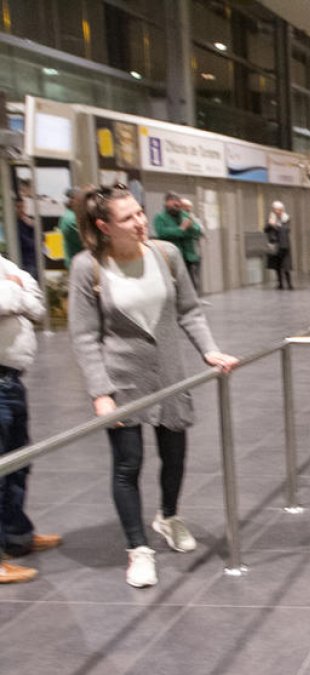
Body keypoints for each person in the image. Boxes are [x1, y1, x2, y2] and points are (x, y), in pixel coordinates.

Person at [68, 184, 238, 588]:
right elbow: (85, 336)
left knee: (175, 456)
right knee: (127, 465)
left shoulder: (167, 254)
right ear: (104, 226)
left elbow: (189, 310)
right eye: (128, 218)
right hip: (121, 378)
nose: (140, 222)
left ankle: (168, 516)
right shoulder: (86, 266)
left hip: (169, 373)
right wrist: (101, 392)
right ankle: (137, 549)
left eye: (140, 213)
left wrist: (209, 351)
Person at [0, 252, 61, 583]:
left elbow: (37, 304)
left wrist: (15, 293)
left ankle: (16, 536)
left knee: (17, 462)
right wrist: (14, 293)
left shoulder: (4, 264)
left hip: (11, 379)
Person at [152, 191, 204, 294]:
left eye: (178, 203)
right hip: (171, 257)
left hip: (188, 256)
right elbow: (162, 233)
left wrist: (191, 228)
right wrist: (181, 230)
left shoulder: (184, 214)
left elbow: (198, 230)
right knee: (175, 285)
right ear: (167, 203)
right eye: (174, 203)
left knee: (191, 284)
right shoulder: (160, 217)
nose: (177, 206)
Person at [264, 200, 293, 290]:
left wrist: (275, 225)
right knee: (277, 266)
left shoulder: (286, 218)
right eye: (275, 209)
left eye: (278, 209)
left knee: (286, 267)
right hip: (275, 245)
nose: (276, 211)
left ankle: (289, 284)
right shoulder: (271, 218)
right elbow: (265, 229)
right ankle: (280, 284)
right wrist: (269, 224)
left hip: (284, 246)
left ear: (281, 210)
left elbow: (285, 230)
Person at [59, 187, 86, 267]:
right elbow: (87, 241)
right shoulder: (71, 219)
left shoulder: (73, 216)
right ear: (72, 201)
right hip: (78, 265)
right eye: (81, 199)